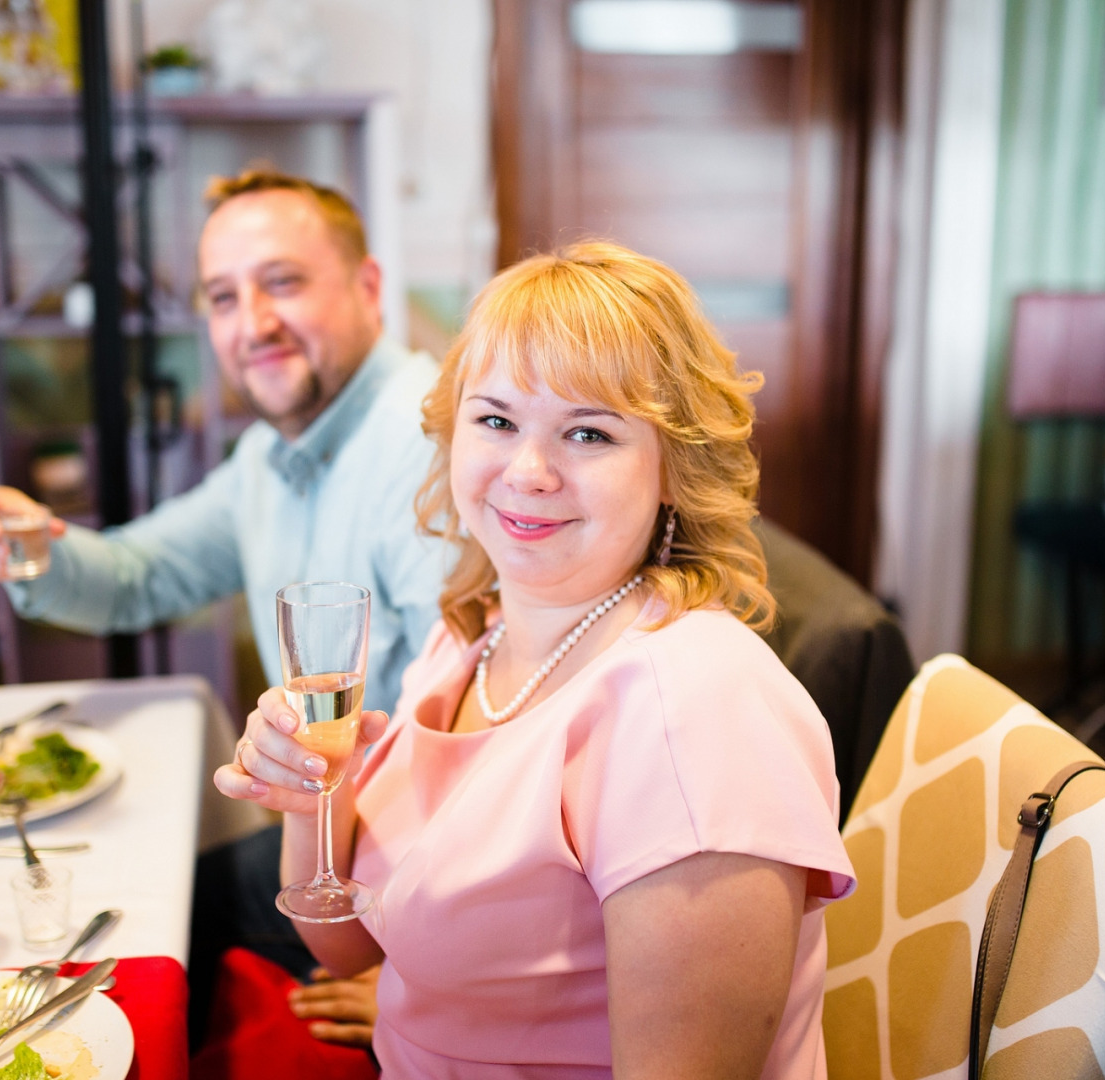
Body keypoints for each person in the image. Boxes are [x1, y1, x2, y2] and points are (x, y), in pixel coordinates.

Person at [219, 241, 855, 1078]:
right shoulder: (471, 639)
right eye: (496, 420)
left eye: (587, 432)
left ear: (672, 466)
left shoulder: (692, 716)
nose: (528, 470)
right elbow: (348, 952)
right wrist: (310, 795)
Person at [0, 167, 445, 717]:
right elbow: (138, 577)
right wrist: (19, 542)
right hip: (322, 798)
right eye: (223, 298)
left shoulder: (433, 447)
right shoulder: (266, 457)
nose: (253, 325)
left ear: (367, 289)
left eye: (282, 282)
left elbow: (460, 726)